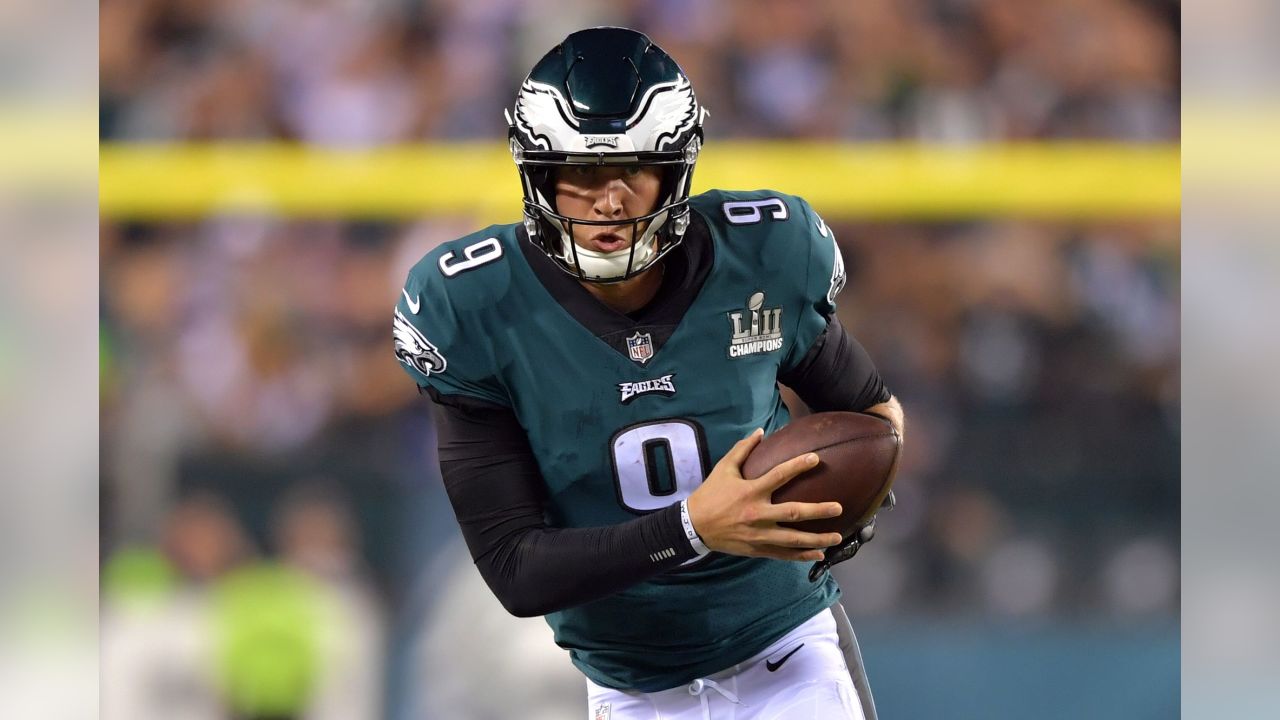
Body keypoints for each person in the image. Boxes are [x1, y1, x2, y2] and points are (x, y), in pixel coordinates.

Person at [393, 27, 904, 720]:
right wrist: (694, 525)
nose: (609, 202)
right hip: (635, 687)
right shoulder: (474, 307)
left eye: (633, 170)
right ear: (538, 174)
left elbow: (871, 413)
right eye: (580, 174)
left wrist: (864, 490)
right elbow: (515, 569)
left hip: (788, 649)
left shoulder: (762, 251)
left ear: (676, 169)